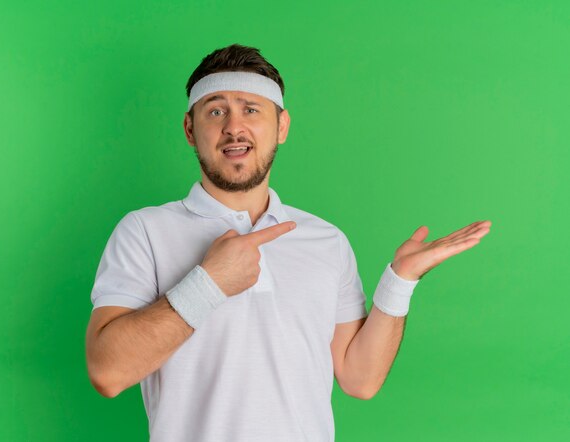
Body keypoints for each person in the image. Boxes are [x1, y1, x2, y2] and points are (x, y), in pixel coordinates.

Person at [85, 43, 492, 442]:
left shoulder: (326, 240)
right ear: (191, 130)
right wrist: (209, 283)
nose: (233, 126)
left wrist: (400, 281)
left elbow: (359, 378)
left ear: (281, 127)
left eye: (251, 109)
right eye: (215, 110)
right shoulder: (144, 230)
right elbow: (107, 372)